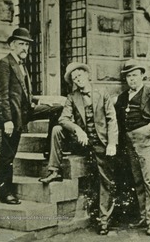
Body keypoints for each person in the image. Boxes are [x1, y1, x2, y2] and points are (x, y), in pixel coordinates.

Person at [39, 62, 118, 235]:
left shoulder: (102, 92)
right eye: (74, 78)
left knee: (105, 179)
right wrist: (78, 129)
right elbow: (63, 119)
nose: (78, 80)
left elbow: (112, 119)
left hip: (101, 141)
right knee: (57, 129)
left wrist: (112, 142)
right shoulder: (72, 97)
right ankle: (53, 169)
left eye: (80, 76)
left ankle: (104, 220)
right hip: (81, 142)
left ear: (87, 75)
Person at [0, 28, 63, 205]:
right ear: (12, 45)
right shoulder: (4, 64)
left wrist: (39, 102)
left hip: (25, 111)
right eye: (21, 44)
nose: (25, 48)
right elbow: (1, 95)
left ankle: (49, 149)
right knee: (8, 155)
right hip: (12, 116)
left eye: (27, 45)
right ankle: (5, 192)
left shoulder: (22, 64)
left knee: (56, 108)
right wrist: (7, 120)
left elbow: (24, 92)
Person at [114, 59, 150, 236]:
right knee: (138, 181)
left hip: (147, 140)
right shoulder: (123, 97)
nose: (132, 79)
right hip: (129, 142)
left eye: (135, 75)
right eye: (128, 76)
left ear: (142, 76)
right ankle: (143, 217)